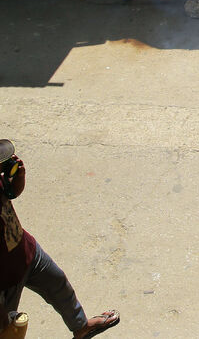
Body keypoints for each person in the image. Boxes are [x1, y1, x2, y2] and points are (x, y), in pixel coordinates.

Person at [0, 142, 119, 338]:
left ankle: (81, 327)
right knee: (7, 329)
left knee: (58, 285)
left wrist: (18, 178)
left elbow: (10, 193)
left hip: (25, 250)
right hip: (5, 279)